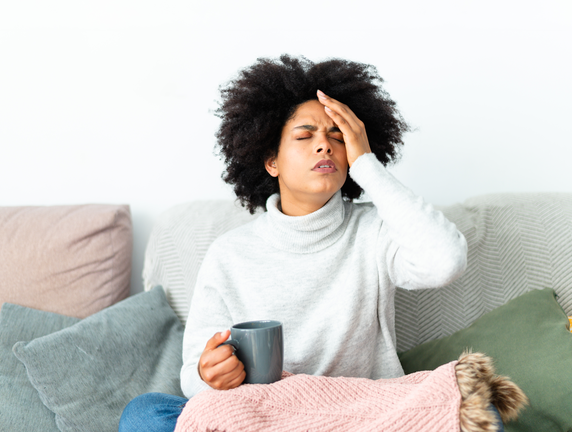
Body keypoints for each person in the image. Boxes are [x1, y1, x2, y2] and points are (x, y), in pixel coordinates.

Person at [120, 54, 488, 431]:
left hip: (363, 414)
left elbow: (445, 260)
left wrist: (366, 164)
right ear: (271, 161)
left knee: (476, 410)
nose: (324, 146)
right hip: (269, 417)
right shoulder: (230, 254)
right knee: (145, 413)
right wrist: (209, 373)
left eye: (337, 136)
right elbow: (194, 375)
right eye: (304, 135)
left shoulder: (376, 231)